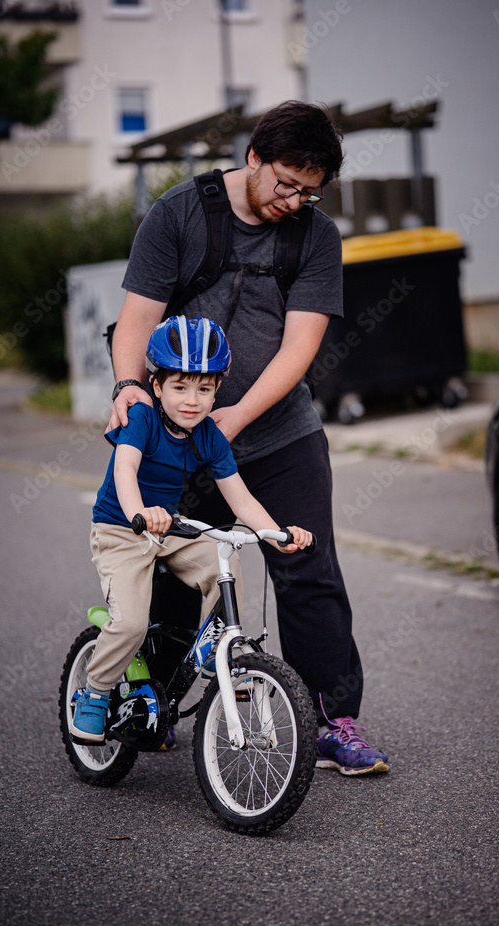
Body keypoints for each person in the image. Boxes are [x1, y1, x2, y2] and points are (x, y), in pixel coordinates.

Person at [107, 101, 388, 776]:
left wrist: (232, 420)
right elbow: (136, 320)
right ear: (253, 158)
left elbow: (300, 347)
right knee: (177, 576)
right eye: (285, 183)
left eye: (309, 190)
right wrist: (127, 390)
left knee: (306, 565)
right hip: (176, 434)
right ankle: (154, 698)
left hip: (278, 432)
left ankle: (333, 720)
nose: (295, 200)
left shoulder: (315, 235)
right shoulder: (179, 213)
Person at [71, 315, 312, 744]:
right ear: (156, 385)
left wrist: (279, 535)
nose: (192, 401)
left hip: (170, 530)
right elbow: (125, 469)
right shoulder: (142, 417)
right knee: (130, 625)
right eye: (180, 387)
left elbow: (241, 500)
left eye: (204, 389)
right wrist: (139, 513)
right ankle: (94, 691)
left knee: (226, 561)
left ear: (217, 390)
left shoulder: (208, 436)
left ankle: (214, 658)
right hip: (122, 530)